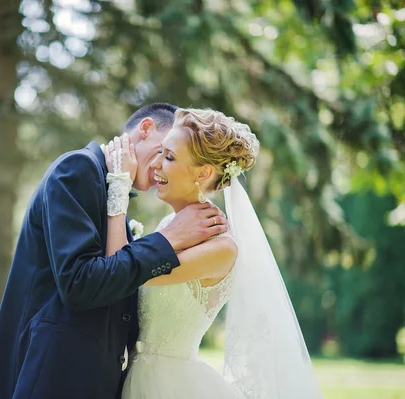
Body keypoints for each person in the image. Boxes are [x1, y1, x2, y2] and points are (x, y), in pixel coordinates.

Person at [0, 103, 230, 399]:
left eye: (170, 156)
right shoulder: (78, 168)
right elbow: (80, 282)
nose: (161, 164)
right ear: (146, 128)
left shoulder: (111, 189)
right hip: (55, 376)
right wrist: (168, 238)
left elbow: (118, 282)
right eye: (162, 151)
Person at [103, 108, 323, 398]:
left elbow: (119, 271)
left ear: (204, 173)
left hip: (170, 386)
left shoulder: (219, 248)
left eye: (169, 157)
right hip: (137, 376)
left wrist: (118, 186)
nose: (156, 164)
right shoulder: (171, 225)